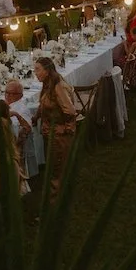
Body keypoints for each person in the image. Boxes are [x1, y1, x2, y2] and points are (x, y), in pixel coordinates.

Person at [32, 56, 77, 196]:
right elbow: (44, 102)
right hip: (49, 133)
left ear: (47, 70)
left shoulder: (58, 86)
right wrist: (36, 117)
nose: (35, 73)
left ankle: (54, 204)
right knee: (52, 168)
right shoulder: (48, 84)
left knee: (56, 170)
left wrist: (66, 129)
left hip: (58, 137)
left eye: (38, 70)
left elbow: (70, 111)